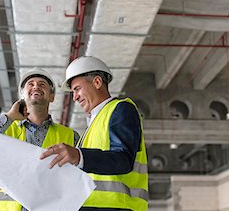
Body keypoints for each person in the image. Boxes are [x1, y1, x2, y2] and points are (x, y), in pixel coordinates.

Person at [40, 56, 148, 211]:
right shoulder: (92, 125)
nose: (75, 97)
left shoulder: (120, 109)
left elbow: (123, 160)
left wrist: (79, 156)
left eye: (77, 89)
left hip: (118, 208)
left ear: (97, 82)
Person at [0, 67, 79, 211]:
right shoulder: (6, 129)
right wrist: (9, 117)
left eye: (42, 84)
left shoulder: (70, 137)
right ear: (22, 95)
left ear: (52, 96)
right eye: (31, 84)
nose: (36, 86)